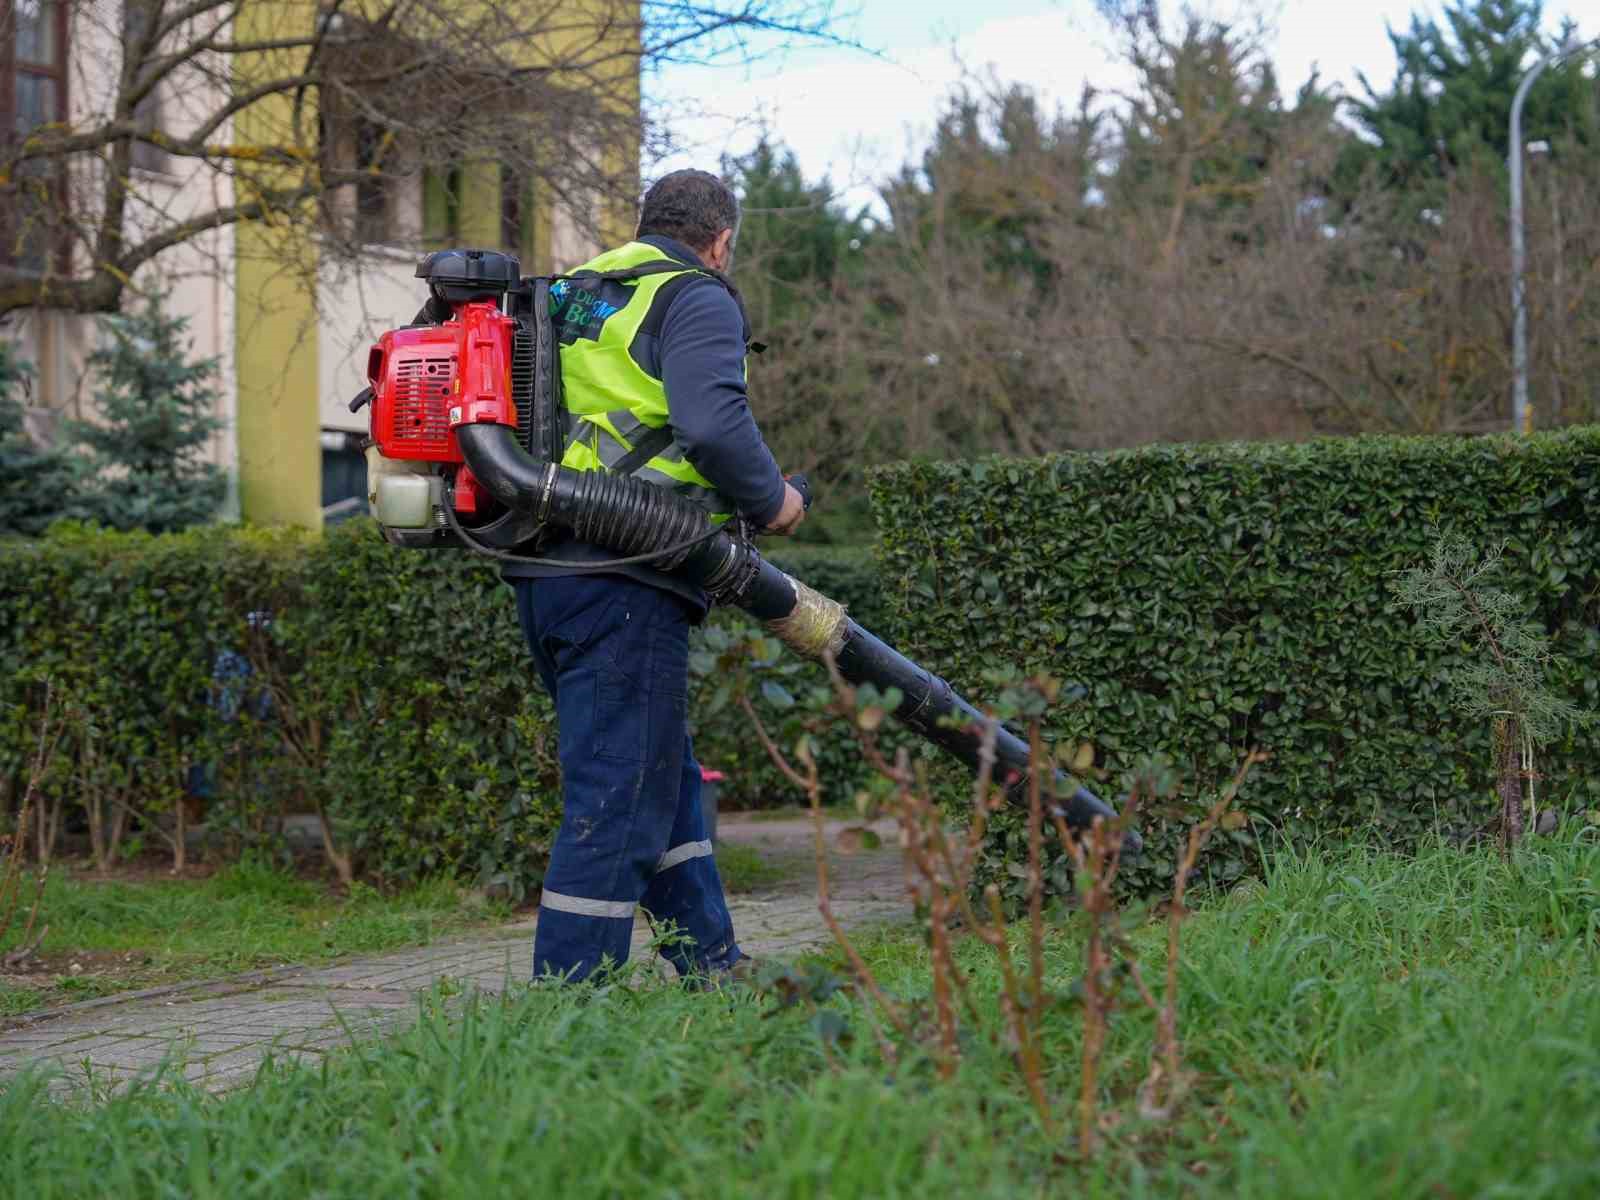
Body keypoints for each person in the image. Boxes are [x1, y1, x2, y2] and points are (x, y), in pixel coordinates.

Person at [502, 169, 806, 984]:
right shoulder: (694, 294)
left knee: (658, 780)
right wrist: (776, 500)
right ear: (720, 240)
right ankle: (569, 1008)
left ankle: (714, 965)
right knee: (618, 801)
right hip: (627, 574)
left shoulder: (576, 294)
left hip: (548, 570)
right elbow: (710, 424)